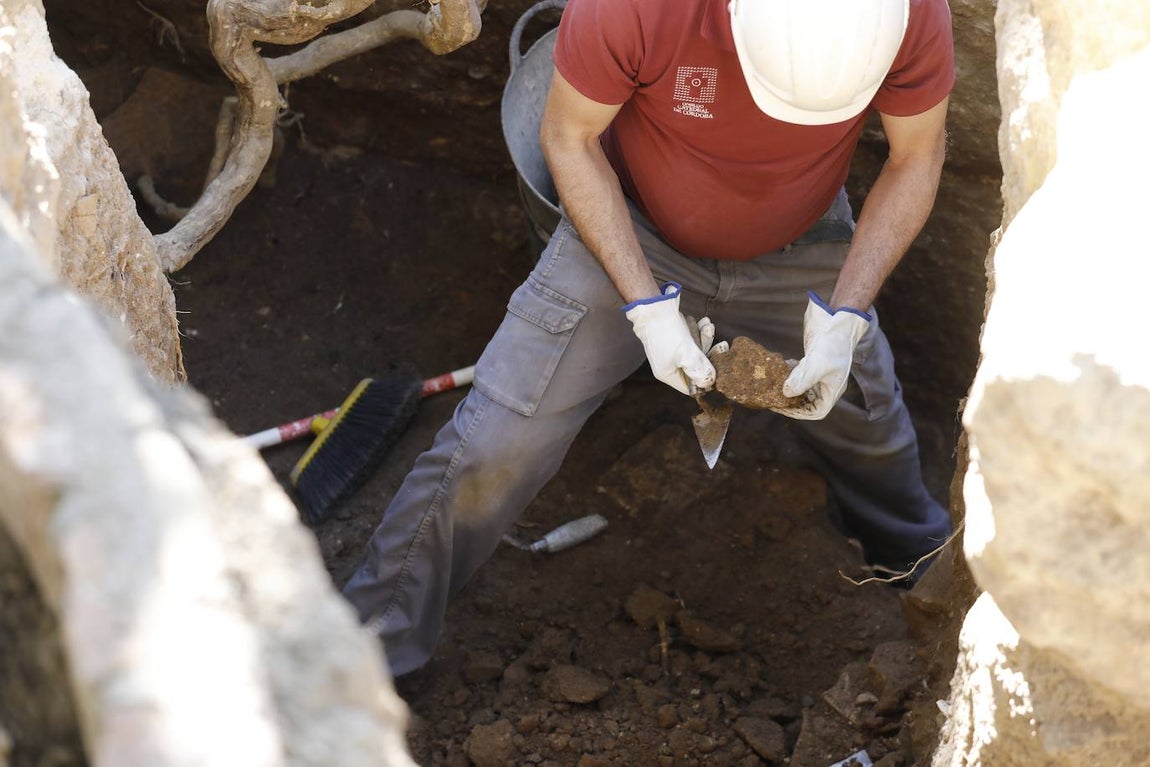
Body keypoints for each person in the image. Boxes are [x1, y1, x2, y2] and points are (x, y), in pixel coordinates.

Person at [344, 0, 956, 677]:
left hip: (801, 240)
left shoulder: (906, 14)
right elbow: (569, 137)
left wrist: (846, 316)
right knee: (497, 440)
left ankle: (931, 577)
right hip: (630, 228)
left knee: (870, 417)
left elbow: (917, 154)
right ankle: (361, 653)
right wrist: (645, 307)